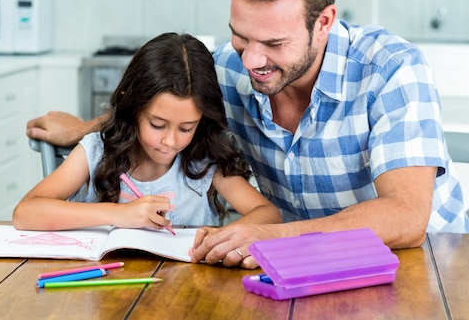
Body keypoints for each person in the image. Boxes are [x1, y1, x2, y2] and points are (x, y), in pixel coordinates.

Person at [26, 0, 469, 269]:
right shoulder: (230, 70)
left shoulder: (391, 69)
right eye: (241, 36)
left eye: (274, 43)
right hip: (293, 268)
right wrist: (86, 128)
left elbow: (407, 216)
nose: (253, 60)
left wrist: (278, 237)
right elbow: (161, 102)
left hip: (423, 265)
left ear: (325, 22)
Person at [14, 33, 282, 249]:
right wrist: (118, 214)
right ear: (133, 107)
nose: (169, 141)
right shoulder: (97, 151)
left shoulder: (203, 160)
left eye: (186, 128)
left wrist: (223, 239)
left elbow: (269, 215)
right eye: (157, 125)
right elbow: (26, 213)